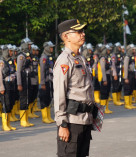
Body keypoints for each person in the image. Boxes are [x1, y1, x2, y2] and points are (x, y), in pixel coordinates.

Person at [54, 19, 95, 157]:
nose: (82, 34)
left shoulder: (80, 59)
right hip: (72, 122)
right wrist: (62, 124)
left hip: (85, 119)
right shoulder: (64, 60)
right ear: (66, 37)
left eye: (83, 31)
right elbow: (59, 93)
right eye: (78, 32)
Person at [0, 45, 17, 131]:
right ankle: (4, 125)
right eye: (10, 51)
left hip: (12, 84)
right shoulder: (1, 62)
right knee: (5, 104)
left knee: (10, 104)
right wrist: (1, 87)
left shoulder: (11, 61)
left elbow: (14, 71)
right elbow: (0, 75)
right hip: (5, 85)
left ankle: (8, 124)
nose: (11, 53)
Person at [39, 41, 55, 123]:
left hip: (50, 80)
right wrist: (42, 83)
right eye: (50, 47)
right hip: (45, 81)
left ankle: (48, 116)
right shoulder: (44, 58)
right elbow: (42, 71)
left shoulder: (49, 57)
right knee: (44, 99)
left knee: (49, 98)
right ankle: (44, 117)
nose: (52, 49)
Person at [123, 44, 136, 109]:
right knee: (127, 89)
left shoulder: (132, 56)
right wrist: (125, 77)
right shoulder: (127, 57)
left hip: (132, 74)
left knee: (131, 88)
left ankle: (130, 103)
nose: (134, 50)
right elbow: (125, 68)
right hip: (128, 74)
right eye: (133, 49)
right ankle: (127, 104)